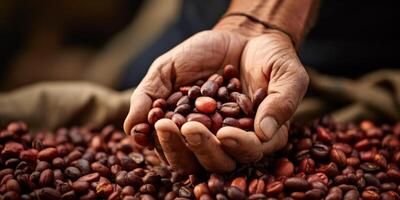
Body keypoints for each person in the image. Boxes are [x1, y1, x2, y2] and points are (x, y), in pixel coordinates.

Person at [124, 0, 318, 174]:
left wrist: (262, 24)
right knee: (132, 77)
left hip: (319, 34)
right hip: (204, 18)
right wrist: (239, 24)